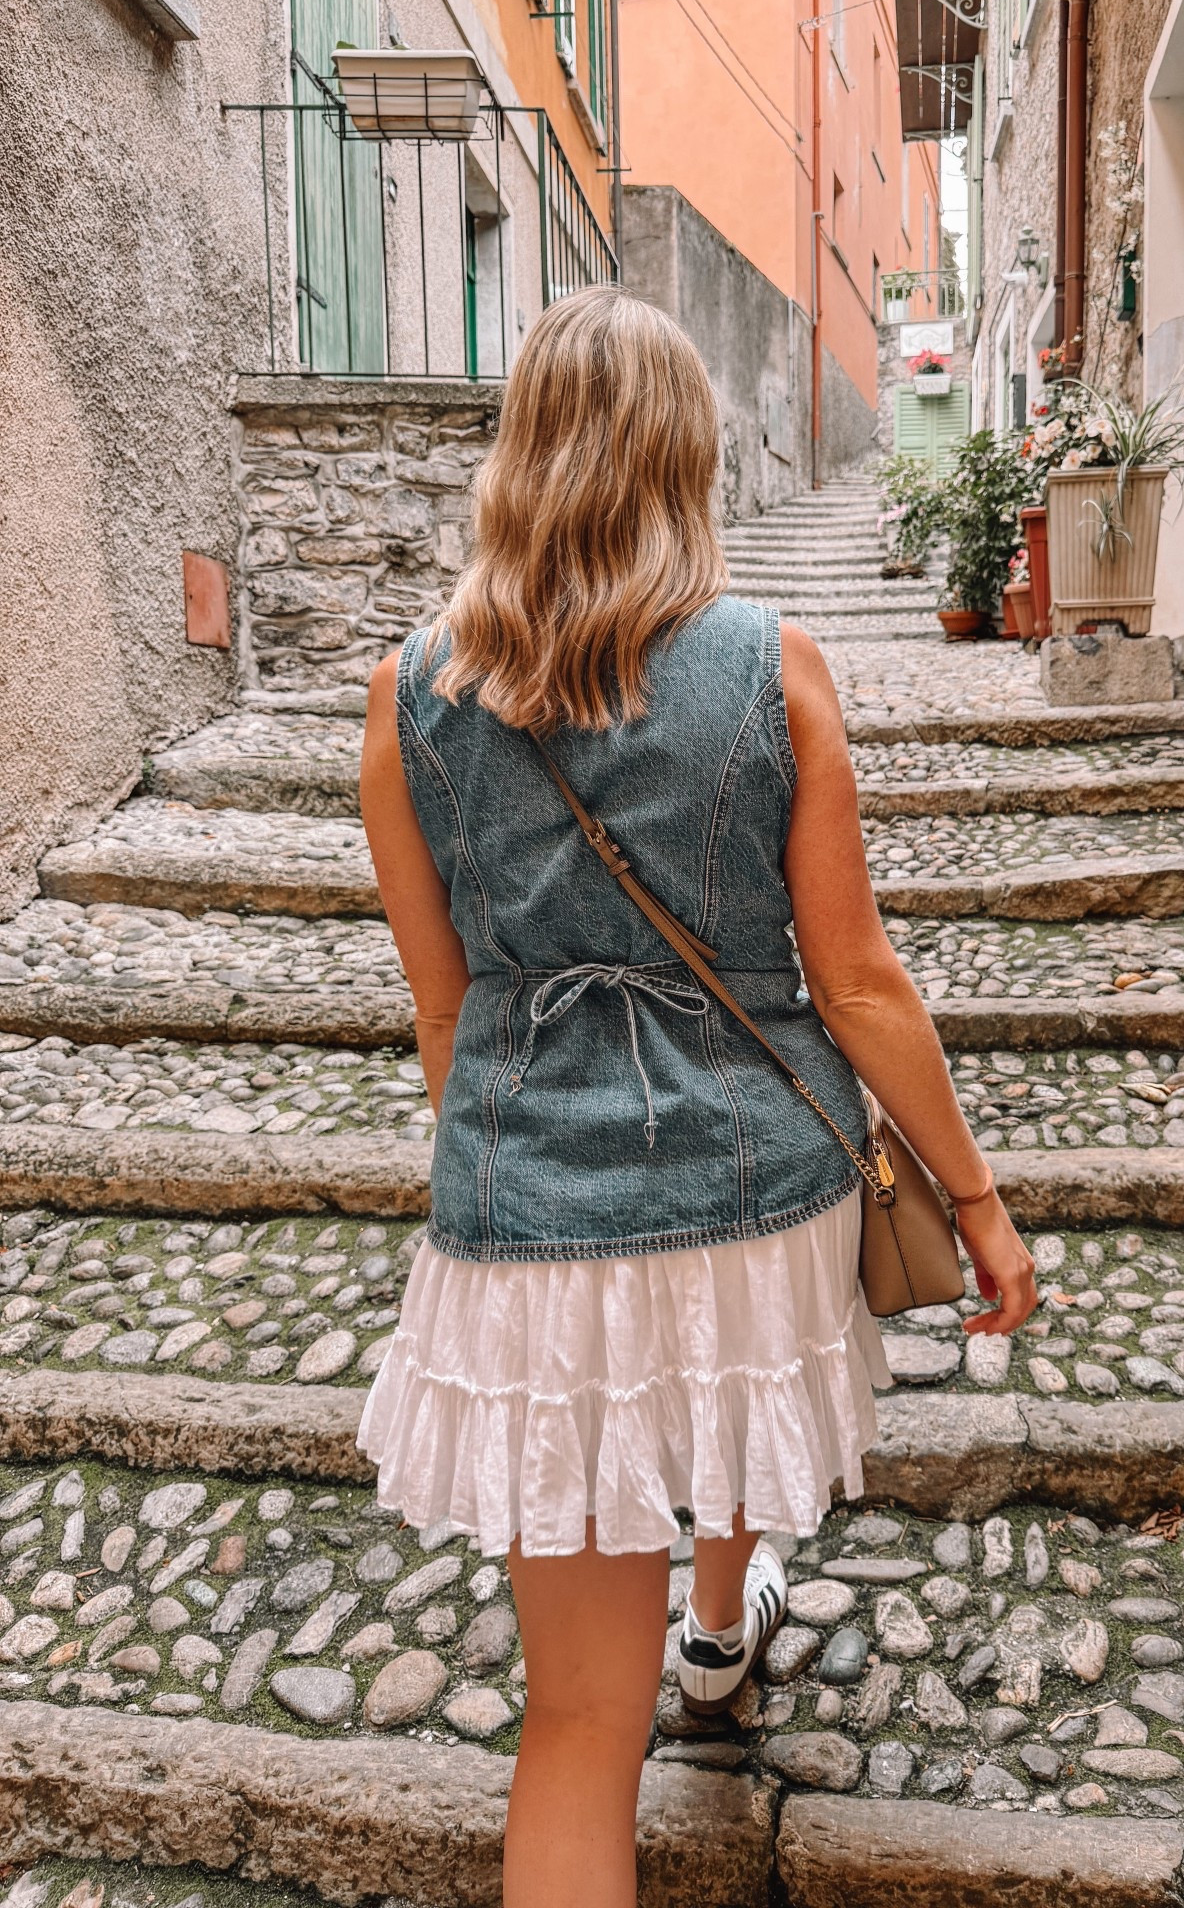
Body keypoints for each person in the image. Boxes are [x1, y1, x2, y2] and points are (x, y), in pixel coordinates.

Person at [356, 285, 1037, 1908]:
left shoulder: (407, 696)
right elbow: (856, 981)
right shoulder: (772, 667)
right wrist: (978, 1200)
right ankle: (720, 1634)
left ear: (519, 452)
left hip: (528, 1208)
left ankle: (705, 1643)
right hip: (754, 1183)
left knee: (578, 1722)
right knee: (722, 1407)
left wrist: (522, 1159)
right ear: (686, 459)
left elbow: (444, 1010)